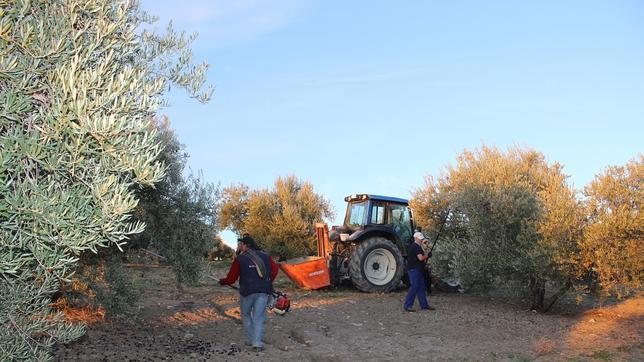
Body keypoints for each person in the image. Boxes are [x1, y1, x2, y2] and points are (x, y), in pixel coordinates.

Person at [219, 236, 279, 352]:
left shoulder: (240, 259)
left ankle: (251, 339)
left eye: (241, 244)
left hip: (246, 293)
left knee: (246, 315)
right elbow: (275, 270)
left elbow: (231, 279)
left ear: (246, 245)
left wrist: (223, 281)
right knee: (259, 317)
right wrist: (267, 281)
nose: (239, 247)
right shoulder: (266, 256)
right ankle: (257, 343)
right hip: (263, 292)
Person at [403, 231, 436, 312]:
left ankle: (424, 306)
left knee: (421, 287)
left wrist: (425, 251)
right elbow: (420, 258)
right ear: (416, 238)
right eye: (420, 239)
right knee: (414, 286)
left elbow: (421, 257)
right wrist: (427, 255)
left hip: (418, 269)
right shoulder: (415, 246)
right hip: (413, 270)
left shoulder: (418, 246)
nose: (421, 240)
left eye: (422, 239)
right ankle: (407, 306)